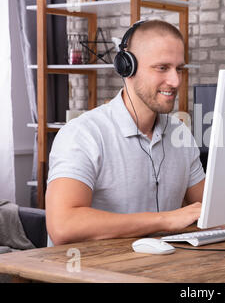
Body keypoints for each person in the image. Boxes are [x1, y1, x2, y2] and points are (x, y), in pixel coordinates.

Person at [46, 20, 205, 246]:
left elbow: (210, 208)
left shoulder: (179, 133)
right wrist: (164, 220)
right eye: (162, 68)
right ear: (127, 67)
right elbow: (63, 226)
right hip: (92, 274)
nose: (175, 81)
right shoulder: (83, 134)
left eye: (179, 68)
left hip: (159, 270)